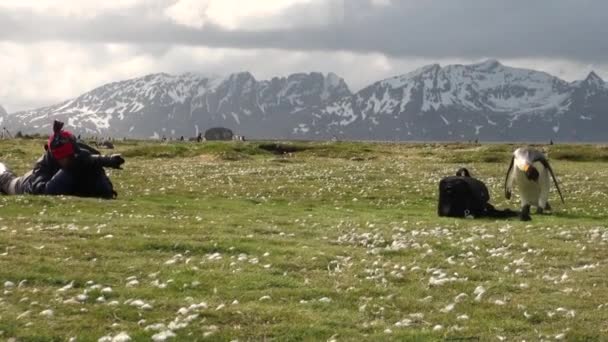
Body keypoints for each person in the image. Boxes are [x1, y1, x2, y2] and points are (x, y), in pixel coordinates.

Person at [0, 121, 124, 199]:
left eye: (67, 155)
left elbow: (106, 192)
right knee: (6, 179)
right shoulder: (43, 165)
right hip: (24, 184)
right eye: (60, 156)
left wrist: (102, 163)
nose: (64, 159)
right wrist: (70, 169)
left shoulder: (84, 156)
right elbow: (45, 193)